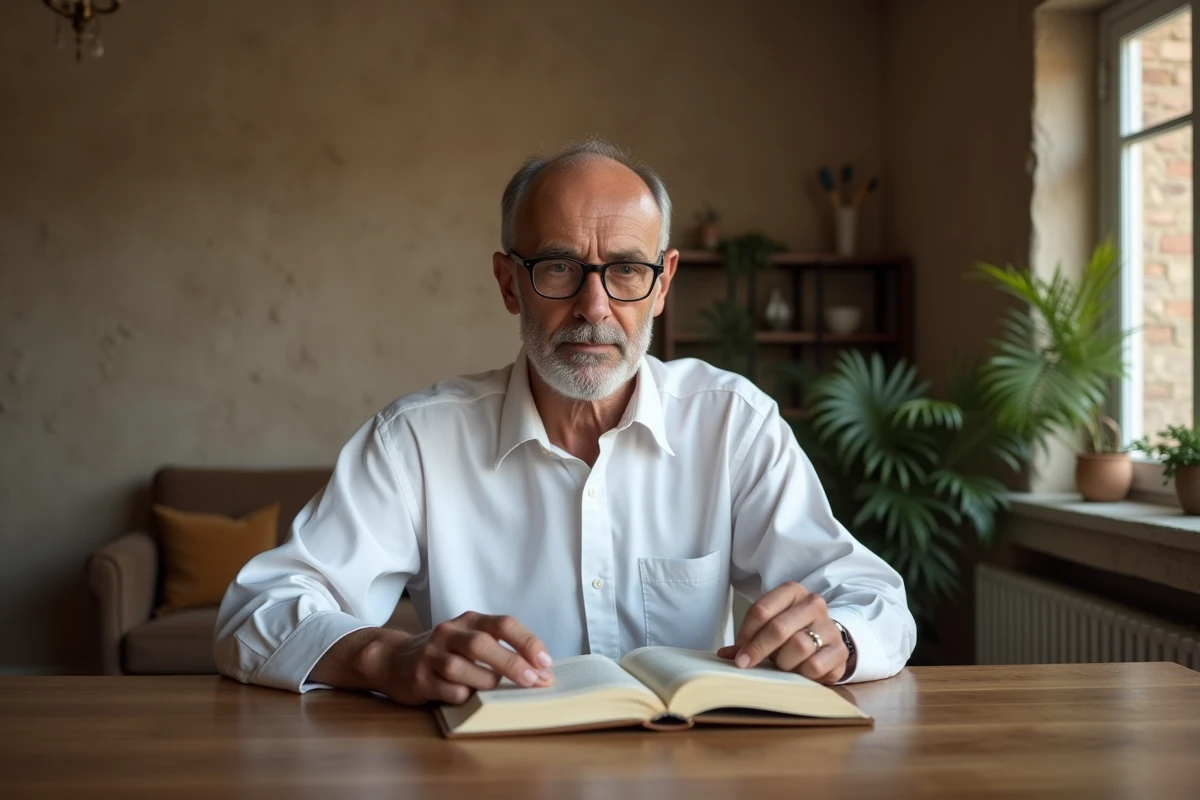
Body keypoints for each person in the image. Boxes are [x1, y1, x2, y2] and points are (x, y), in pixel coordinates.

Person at [214, 139, 916, 705]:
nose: (593, 306)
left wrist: (839, 639)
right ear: (506, 281)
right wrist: (389, 654)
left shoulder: (732, 423)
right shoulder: (417, 442)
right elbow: (257, 613)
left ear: (663, 283)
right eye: (558, 267)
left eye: (626, 271)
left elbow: (875, 599)